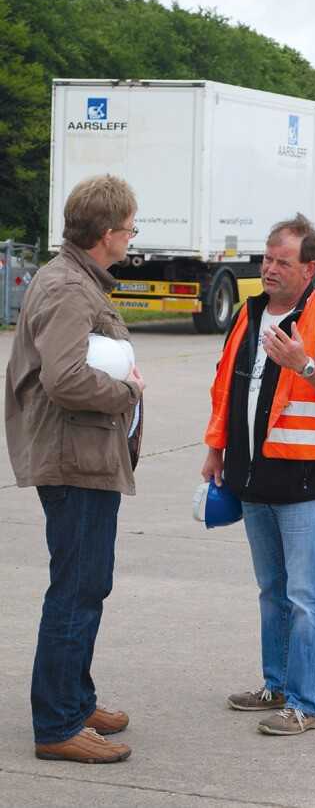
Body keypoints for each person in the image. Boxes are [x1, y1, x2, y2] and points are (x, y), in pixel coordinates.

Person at [202, 214, 315, 736]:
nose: (269, 269)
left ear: (310, 268)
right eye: (267, 258)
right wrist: (216, 449)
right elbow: (227, 387)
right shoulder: (249, 315)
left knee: (306, 598)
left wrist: (304, 364)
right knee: (272, 591)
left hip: (304, 486)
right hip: (252, 481)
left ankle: (308, 702)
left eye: (282, 262)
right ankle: (275, 685)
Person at [5, 175, 145, 763]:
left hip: (85, 455)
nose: (133, 235)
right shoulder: (67, 287)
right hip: (74, 459)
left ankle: (75, 698)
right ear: (108, 233)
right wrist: (125, 391)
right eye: (131, 227)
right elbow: (63, 378)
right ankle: (58, 725)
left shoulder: (75, 279)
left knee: (88, 584)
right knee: (76, 591)